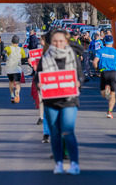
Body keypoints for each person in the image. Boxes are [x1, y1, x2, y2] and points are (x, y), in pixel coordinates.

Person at [35, 29, 84, 175]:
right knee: (55, 133)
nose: (58, 43)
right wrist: (39, 84)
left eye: (61, 41)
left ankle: (74, 163)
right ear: (51, 42)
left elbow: (80, 75)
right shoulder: (45, 57)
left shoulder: (72, 56)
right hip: (51, 101)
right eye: (55, 41)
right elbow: (38, 77)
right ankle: (59, 164)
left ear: (66, 42)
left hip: (69, 100)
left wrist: (79, 82)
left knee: (67, 131)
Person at [93, 35, 116, 119]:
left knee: (103, 94)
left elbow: (94, 62)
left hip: (104, 73)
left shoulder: (100, 51)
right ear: (112, 42)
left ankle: (106, 89)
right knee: (113, 95)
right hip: (113, 73)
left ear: (104, 42)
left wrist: (97, 69)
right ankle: (109, 112)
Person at [3, 35, 27, 103]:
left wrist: (3, 54)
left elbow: (4, 51)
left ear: (11, 42)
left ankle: (12, 95)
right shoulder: (21, 49)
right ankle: (17, 92)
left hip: (9, 68)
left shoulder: (9, 48)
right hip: (17, 68)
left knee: (11, 81)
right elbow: (24, 58)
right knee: (17, 82)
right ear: (18, 42)